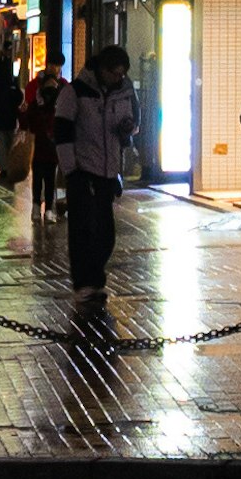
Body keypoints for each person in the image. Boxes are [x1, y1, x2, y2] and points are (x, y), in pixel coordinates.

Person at [63, 35, 144, 313]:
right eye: (114, 72)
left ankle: (93, 279)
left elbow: (135, 122)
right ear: (102, 69)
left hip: (109, 171)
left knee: (106, 232)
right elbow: (62, 130)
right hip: (83, 169)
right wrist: (70, 169)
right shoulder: (77, 91)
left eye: (123, 73)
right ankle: (86, 284)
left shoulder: (125, 91)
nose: (118, 77)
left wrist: (128, 129)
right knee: (83, 230)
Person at [27, 51, 68, 226]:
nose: (55, 68)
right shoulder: (34, 86)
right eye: (52, 64)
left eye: (58, 65)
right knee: (37, 173)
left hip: (54, 136)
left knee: (51, 174)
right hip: (37, 136)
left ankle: (49, 208)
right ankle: (36, 206)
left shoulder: (65, 86)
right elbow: (28, 110)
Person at [0, 22, 25, 184]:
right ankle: (8, 166)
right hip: (10, 118)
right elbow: (18, 98)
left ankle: (3, 168)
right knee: (9, 142)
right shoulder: (12, 83)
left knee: (0, 143)